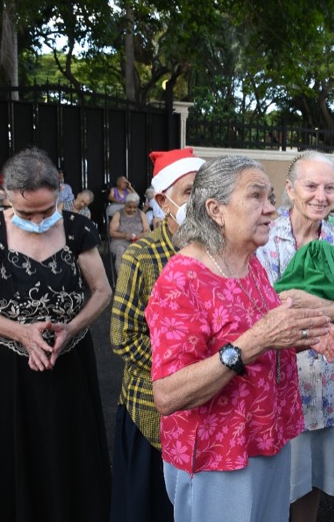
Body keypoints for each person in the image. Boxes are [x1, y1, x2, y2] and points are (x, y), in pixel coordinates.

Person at [145, 155, 334, 521]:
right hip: (219, 457)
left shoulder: (250, 264)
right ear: (216, 210)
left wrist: (305, 334)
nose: (271, 209)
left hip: (268, 440)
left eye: (270, 197)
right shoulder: (181, 281)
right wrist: (257, 340)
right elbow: (168, 395)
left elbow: (265, 339)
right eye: (257, 197)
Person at [0, 147, 112, 521]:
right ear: (6, 197)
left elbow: (102, 291)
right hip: (9, 369)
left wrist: (73, 326)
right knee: (10, 454)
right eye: (27, 213)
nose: (39, 220)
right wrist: (21, 334)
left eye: (47, 211)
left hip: (69, 360)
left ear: (59, 191)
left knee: (69, 452)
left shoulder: (78, 228)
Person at [256, 150, 334, 522]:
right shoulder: (265, 236)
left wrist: (303, 302)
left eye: (329, 187)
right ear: (290, 189)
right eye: (311, 185)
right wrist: (332, 308)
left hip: (327, 384)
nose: (321, 195)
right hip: (275, 381)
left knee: (312, 481)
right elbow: (265, 309)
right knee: (272, 479)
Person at [109, 147, 205, 522]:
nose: (199, 201)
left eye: (205, 190)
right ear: (164, 201)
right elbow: (123, 336)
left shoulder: (221, 250)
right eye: (189, 192)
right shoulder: (143, 256)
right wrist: (188, 369)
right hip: (150, 408)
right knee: (148, 508)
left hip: (206, 405)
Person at [108, 193, 150, 272]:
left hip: (138, 241)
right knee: (120, 250)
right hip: (120, 242)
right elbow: (112, 232)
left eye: (134, 207)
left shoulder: (141, 214)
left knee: (145, 251)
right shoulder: (118, 214)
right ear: (125, 204)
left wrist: (139, 235)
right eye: (129, 207)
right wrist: (124, 235)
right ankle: (122, 278)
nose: (132, 209)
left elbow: (147, 231)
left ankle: (140, 277)